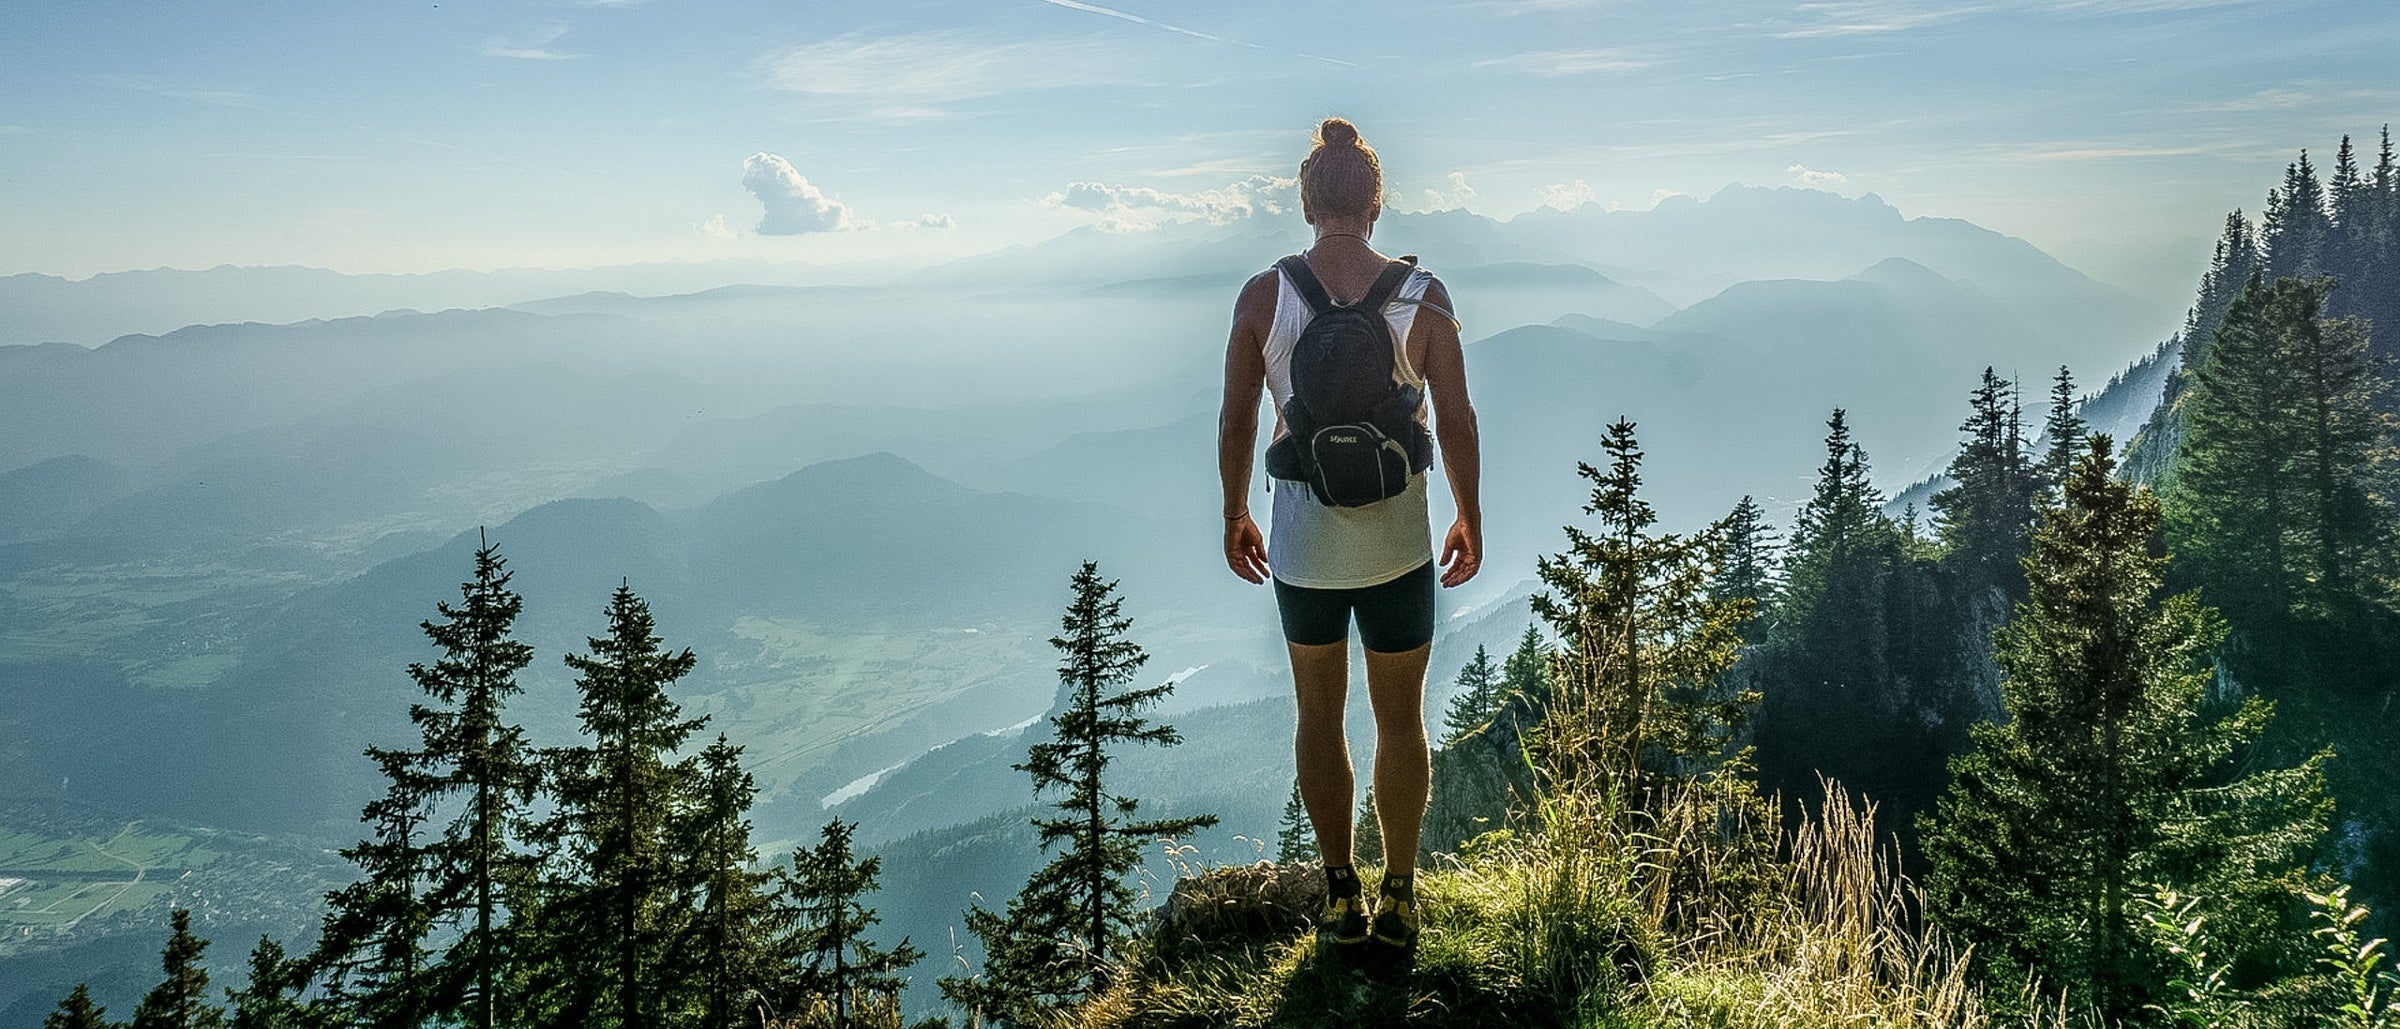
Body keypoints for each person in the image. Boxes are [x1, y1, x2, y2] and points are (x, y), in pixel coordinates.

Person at [1217, 117, 1481, 954]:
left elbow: (1236, 418)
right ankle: (1399, 894)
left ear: (1307, 204)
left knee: (1319, 715)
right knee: (1400, 721)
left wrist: (1234, 511)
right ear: (1375, 205)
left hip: (1305, 548)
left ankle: (1340, 894)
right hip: (1399, 544)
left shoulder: (1264, 297)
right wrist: (1469, 514)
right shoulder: (1424, 296)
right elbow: (1457, 419)